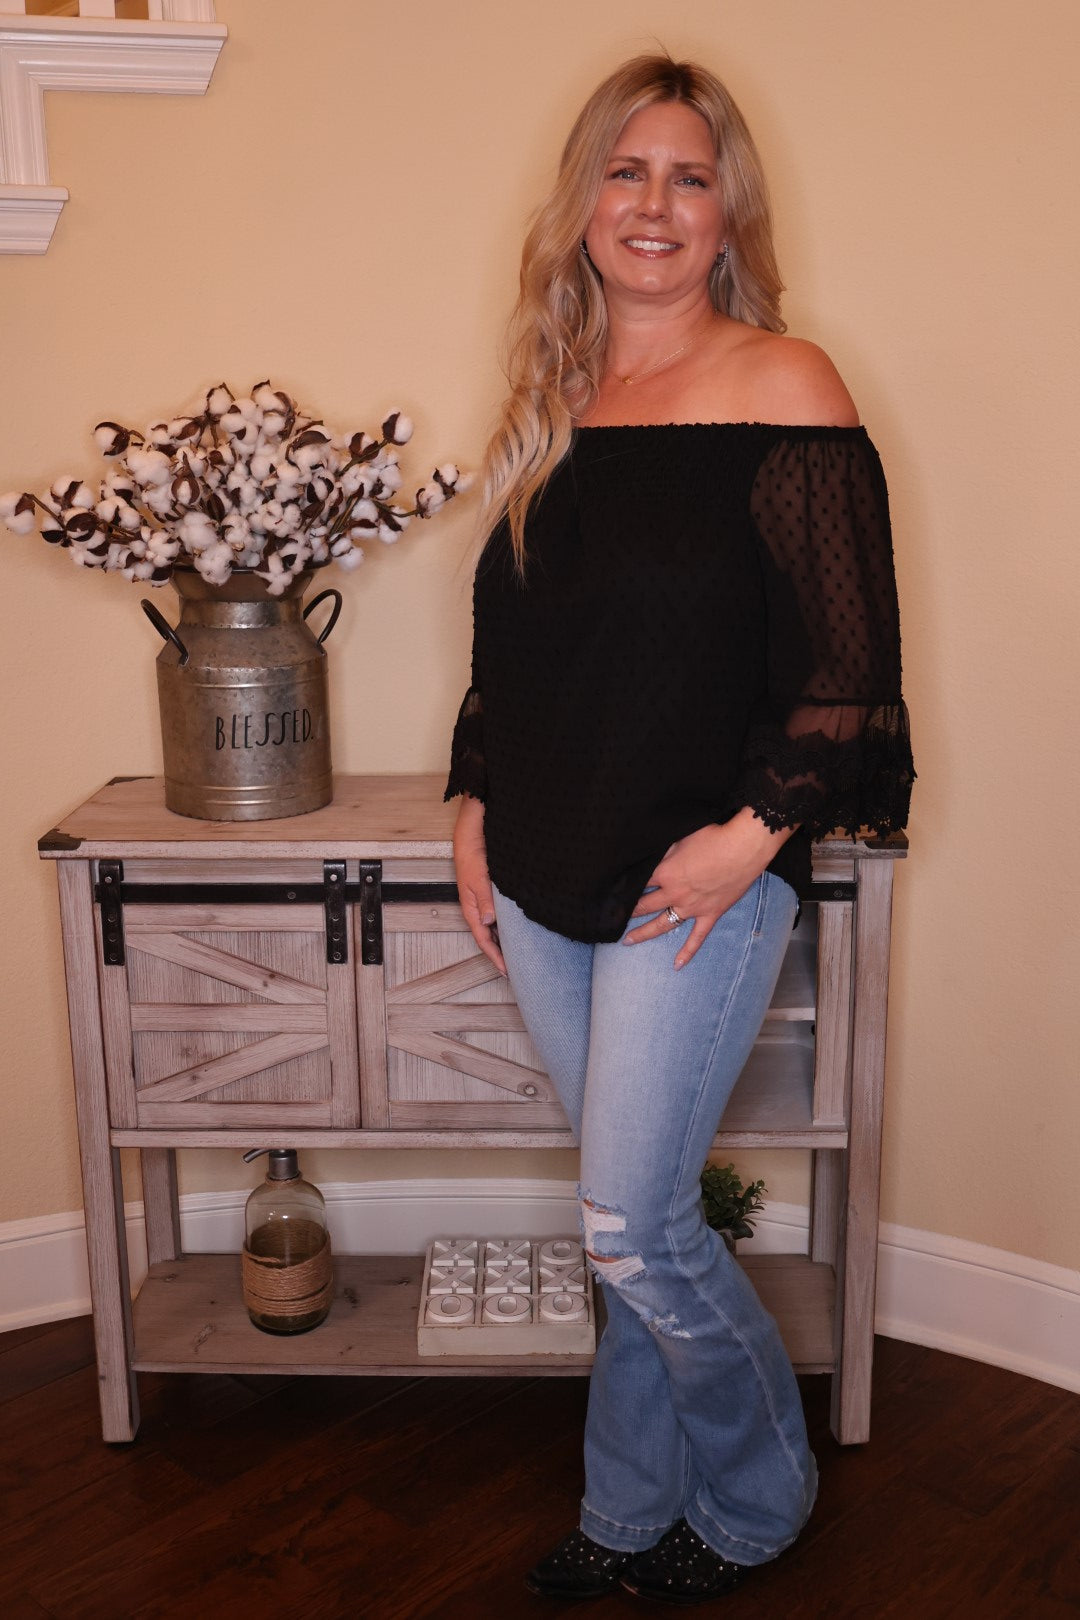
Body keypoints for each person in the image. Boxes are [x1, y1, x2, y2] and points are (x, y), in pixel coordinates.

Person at [446, 53, 913, 1606]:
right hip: (541, 869)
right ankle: (631, 1504)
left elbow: (848, 667)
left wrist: (747, 840)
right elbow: (514, 651)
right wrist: (471, 799)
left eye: (690, 177)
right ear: (583, 201)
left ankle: (761, 1498)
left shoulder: (786, 384)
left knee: (634, 1225)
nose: (654, 204)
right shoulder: (555, 400)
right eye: (626, 170)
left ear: (727, 214)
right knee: (622, 1220)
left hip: (695, 878)